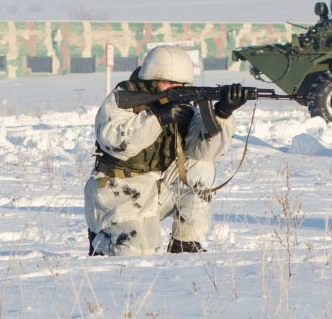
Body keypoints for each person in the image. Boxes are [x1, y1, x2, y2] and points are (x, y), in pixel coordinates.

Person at [85, 44, 240, 255]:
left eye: (180, 84)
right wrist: (157, 117)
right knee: (139, 255)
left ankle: (185, 244)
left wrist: (222, 114)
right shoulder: (123, 98)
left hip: (157, 186)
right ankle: (102, 240)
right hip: (118, 191)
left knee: (200, 166)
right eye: (168, 83)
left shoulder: (182, 104)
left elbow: (204, 150)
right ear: (152, 79)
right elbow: (115, 141)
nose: (175, 88)